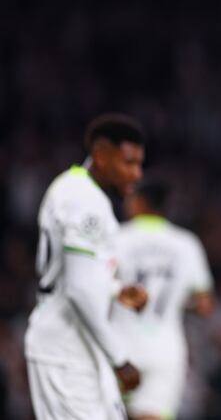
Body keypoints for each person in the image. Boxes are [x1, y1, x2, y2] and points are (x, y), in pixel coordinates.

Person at [24, 113, 149, 420]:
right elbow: (79, 291)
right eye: (128, 163)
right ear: (102, 155)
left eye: (139, 164)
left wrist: (115, 289)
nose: (137, 174)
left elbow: (76, 276)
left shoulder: (77, 190)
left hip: (81, 346)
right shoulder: (84, 200)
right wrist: (120, 359)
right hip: (63, 349)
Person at [111, 179, 215, 420]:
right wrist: (178, 301)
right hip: (166, 350)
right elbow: (205, 305)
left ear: (139, 203)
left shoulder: (118, 238)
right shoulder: (186, 244)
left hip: (121, 347)